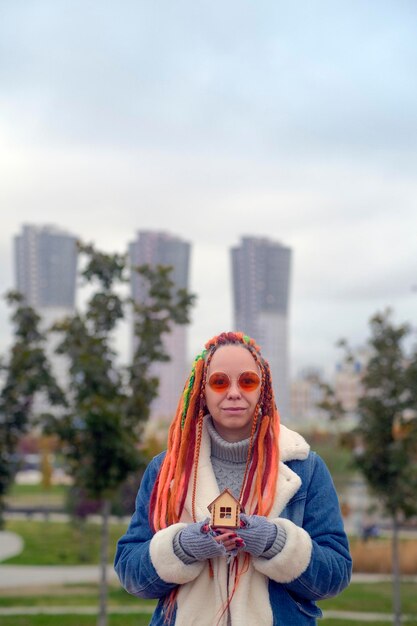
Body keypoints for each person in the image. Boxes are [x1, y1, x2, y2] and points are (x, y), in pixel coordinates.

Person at [114, 332, 352, 625]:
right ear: (202, 390)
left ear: (262, 389)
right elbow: (130, 572)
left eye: (247, 381)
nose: (234, 392)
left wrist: (274, 542)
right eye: (220, 382)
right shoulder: (167, 469)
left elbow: (335, 575)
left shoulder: (305, 467)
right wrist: (183, 546)